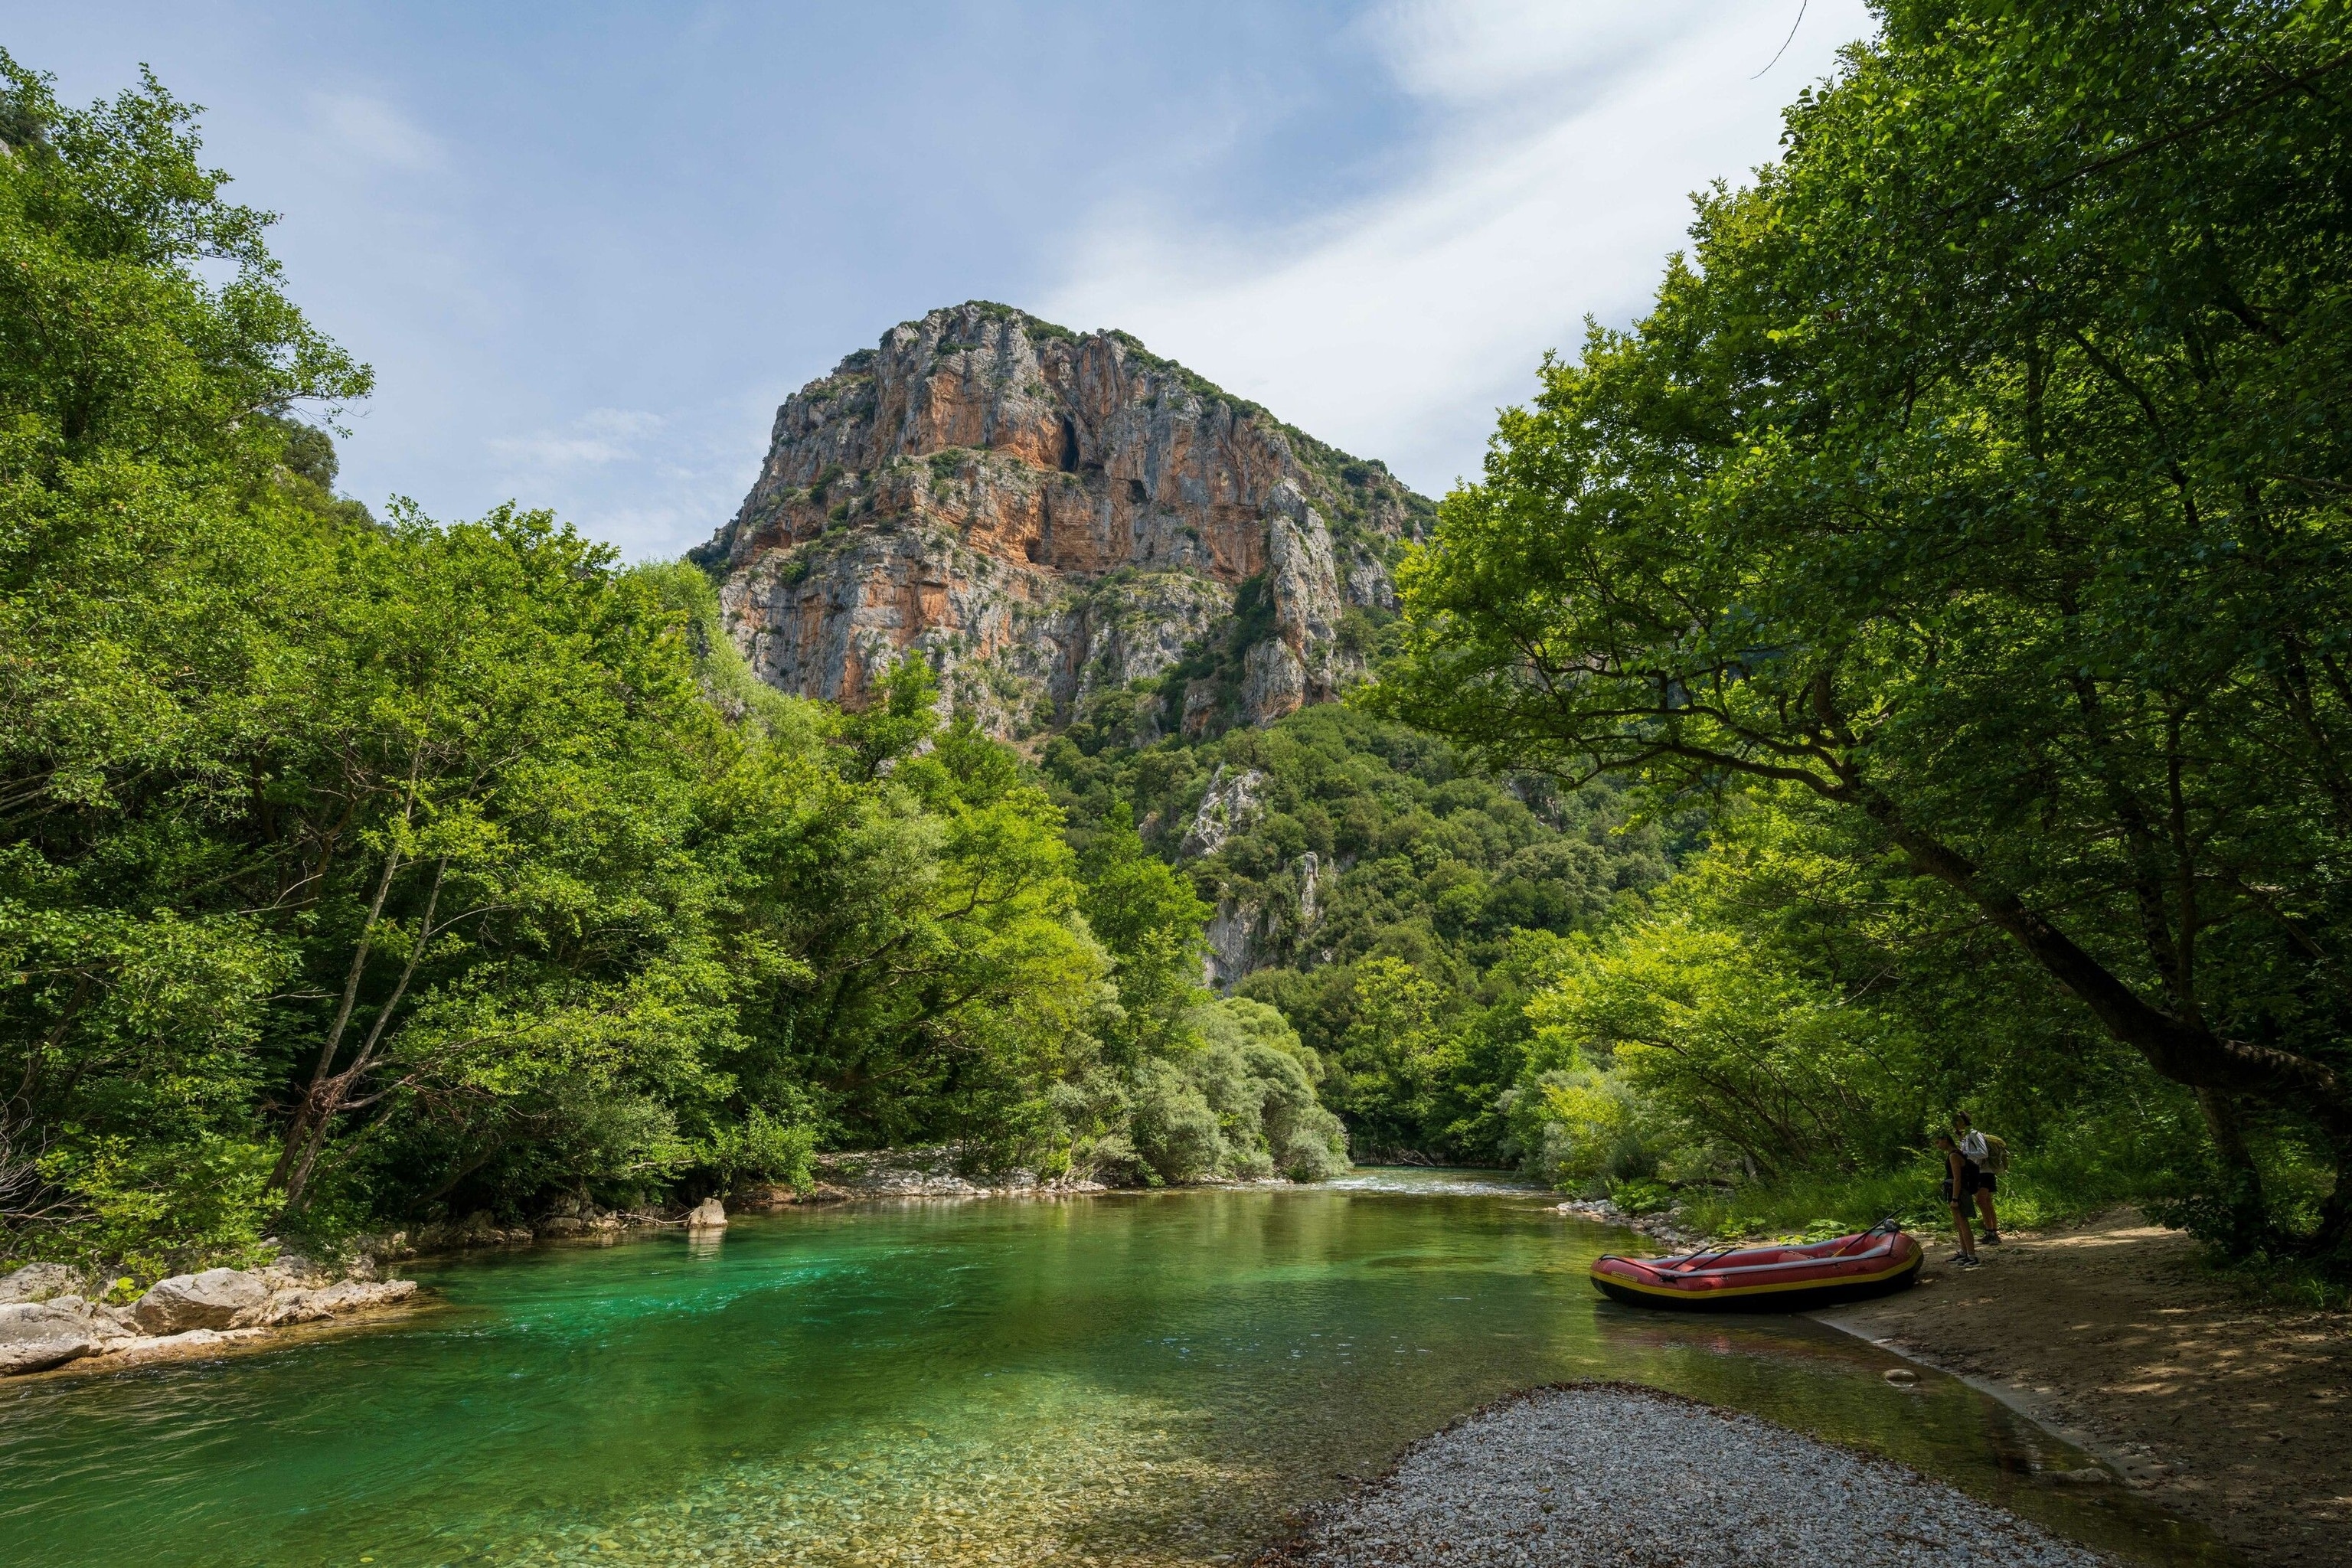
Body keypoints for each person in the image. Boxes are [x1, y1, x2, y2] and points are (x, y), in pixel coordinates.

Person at [1932, 1132, 1980, 1268]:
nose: (1937, 1145)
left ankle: (1972, 1256)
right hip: (1955, 1192)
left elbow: (1957, 1178)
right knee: (1958, 1223)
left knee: (1963, 1223)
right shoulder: (1954, 1154)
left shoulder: (1954, 1155)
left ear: (1946, 1140)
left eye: (1938, 1142)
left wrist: (1955, 1198)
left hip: (1959, 1193)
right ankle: (1964, 1253)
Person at [1952, 1112, 2001, 1243]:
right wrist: (1961, 1139)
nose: (1955, 1123)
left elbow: (1983, 1153)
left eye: (1957, 1120)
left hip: (1984, 1172)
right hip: (1979, 1172)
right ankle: (1992, 1233)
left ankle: (1991, 1233)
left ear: (1964, 1121)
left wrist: (1965, 1154)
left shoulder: (1974, 1134)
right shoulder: (1966, 1137)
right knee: (1987, 1202)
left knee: (1980, 1201)